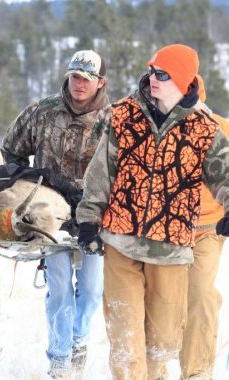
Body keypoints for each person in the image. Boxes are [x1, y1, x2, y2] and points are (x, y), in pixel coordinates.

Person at [76, 44, 229, 379]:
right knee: (125, 343)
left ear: (184, 80)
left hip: (171, 251)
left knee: (160, 345)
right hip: (121, 242)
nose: (153, 79)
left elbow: (225, 173)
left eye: (163, 74)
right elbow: (101, 172)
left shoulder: (204, 130)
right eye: (152, 71)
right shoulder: (124, 115)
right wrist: (88, 220)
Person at [0, 50, 110, 378]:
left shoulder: (113, 119)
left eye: (87, 79)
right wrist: (29, 188)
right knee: (59, 286)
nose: (78, 84)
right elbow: (11, 150)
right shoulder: (43, 111)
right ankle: (60, 358)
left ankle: (78, 339)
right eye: (75, 76)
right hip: (50, 215)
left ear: (100, 83)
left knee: (92, 288)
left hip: (94, 216)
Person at [179, 75, 229, 379]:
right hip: (166, 229)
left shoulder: (220, 126)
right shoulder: (161, 127)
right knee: (167, 301)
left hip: (209, 226)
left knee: (199, 295)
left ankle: (196, 372)